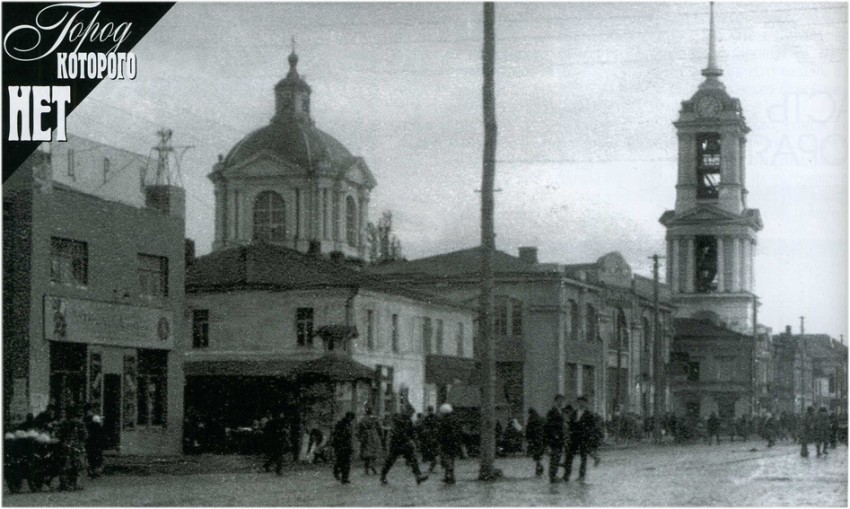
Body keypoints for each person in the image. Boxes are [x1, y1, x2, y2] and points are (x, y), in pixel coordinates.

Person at [380, 403, 428, 485]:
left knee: (413, 459)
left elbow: (412, 432)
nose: (411, 415)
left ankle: (418, 476)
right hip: (396, 443)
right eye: (411, 413)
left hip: (404, 443)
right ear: (406, 411)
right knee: (390, 460)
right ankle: (383, 475)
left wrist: (416, 442)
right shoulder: (398, 418)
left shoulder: (408, 420)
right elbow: (397, 431)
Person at [56, 405, 88, 491]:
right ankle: (74, 483)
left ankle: (64, 484)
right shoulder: (80, 423)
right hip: (75, 446)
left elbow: (58, 434)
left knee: (65, 465)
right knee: (77, 465)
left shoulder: (64, 423)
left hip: (66, 446)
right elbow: (85, 436)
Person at [563, 396, 595, 482]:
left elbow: (592, 427)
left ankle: (581, 475)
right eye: (580, 402)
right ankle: (566, 475)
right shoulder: (574, 413)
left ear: (585, 403)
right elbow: (571, 424)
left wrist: (589, 436)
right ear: (578, 403)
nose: (581, 403)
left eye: (583, 402)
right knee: (569, 456)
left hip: (583, 438)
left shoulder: (589, 414)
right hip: (574, 437)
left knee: (583, 457)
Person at [437, 403, 462, 484]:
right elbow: (459, 432)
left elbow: (441, 433)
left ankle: (449, 476)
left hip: (446, 443)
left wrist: (439, 441)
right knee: (451, 459)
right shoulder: (455, 420)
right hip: (454, 443)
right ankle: (450, 476)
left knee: (446, 460)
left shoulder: (444, 422)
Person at [543, 394, 565, 483]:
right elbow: (548, 425)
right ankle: (552, 476)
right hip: (553, 438)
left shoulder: (562, 412)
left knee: (558, 456)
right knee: (554, 457)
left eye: (561, 401)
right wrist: (553, 435)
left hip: (560, 438)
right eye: (558, 400)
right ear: (555, 401)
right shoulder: (551, 412)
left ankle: (554, 474)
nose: (560, 402)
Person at [357, 407, 382, 475]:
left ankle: (366, 470)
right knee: (373, 451)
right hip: (373, 436)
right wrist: (381, 436)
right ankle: (373, 466)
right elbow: (379, 428)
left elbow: (359, 428)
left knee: (366, 453)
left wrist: (359, 437)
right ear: (372, 412)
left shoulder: (362, 419)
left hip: (365, 436)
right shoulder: (375, 419)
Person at [263, 410, 289, 475]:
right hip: (278, 440)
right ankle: (278, 469)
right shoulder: (280, 422)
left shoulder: (269, 422)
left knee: (276, 454)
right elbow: (283, 431)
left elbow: (266, 432)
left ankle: (267, 465)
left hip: (273, 440)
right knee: (279, 454)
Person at [332, 412, 355, 484]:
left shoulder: (347, 424)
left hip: (344, 446)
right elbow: (338, 436)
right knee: (342, 462)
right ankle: (341, 475)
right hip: (341, 446)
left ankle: (344, 478)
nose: (351, 420)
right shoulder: (341, 424)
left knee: (345, 462)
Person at [417, 406, 440, 473]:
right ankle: (431, 467)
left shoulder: (428, 418)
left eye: (429, 410)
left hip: (432, 438)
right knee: (433, 454)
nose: (429, 412)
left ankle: (431, 467)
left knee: (433, 454)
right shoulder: (435, 418)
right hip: (432, 439)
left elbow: (423, 427)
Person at [84, 405, 105, 478]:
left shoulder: (85, 418)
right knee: (96, 455)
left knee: (90, 455)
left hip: (89, 440)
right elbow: (100, 430)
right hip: (96, 440)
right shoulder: (95, 418)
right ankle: (95, 470)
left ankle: (91, 470)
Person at [525, 408, 545, 477]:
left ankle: (539, 467)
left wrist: (528, 439)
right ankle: (539, 467)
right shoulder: (540, 419)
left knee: (536, 456)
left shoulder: (531, 419)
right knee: (539, 455)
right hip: (540, 440)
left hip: (534, 440)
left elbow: (528, 431)